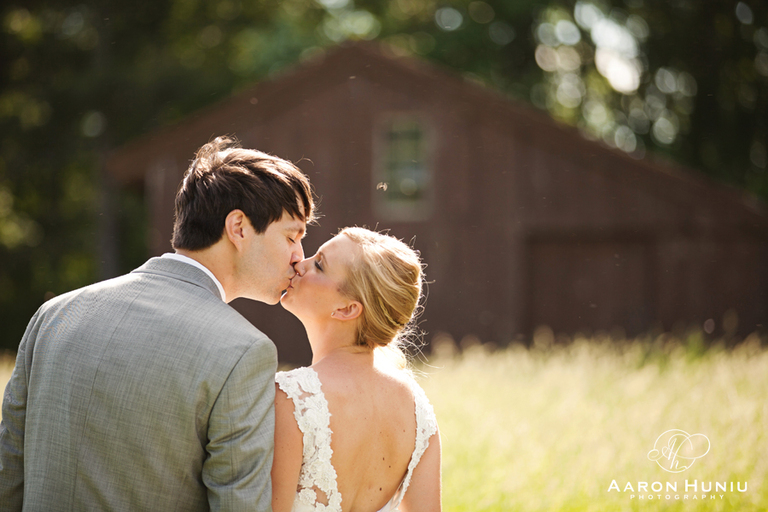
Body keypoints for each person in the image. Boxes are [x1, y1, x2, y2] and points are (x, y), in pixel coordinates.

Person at [0, 136, 315, 511]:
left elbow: (9, 477)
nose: (299, 257)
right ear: (239, 228)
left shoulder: (55, 314)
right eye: (292, 236)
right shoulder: (243, 351)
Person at [272, 227, 441, 512]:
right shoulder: (418, 411)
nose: (299, 264)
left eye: (319, 265)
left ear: (348, 309)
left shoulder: (292, 398)